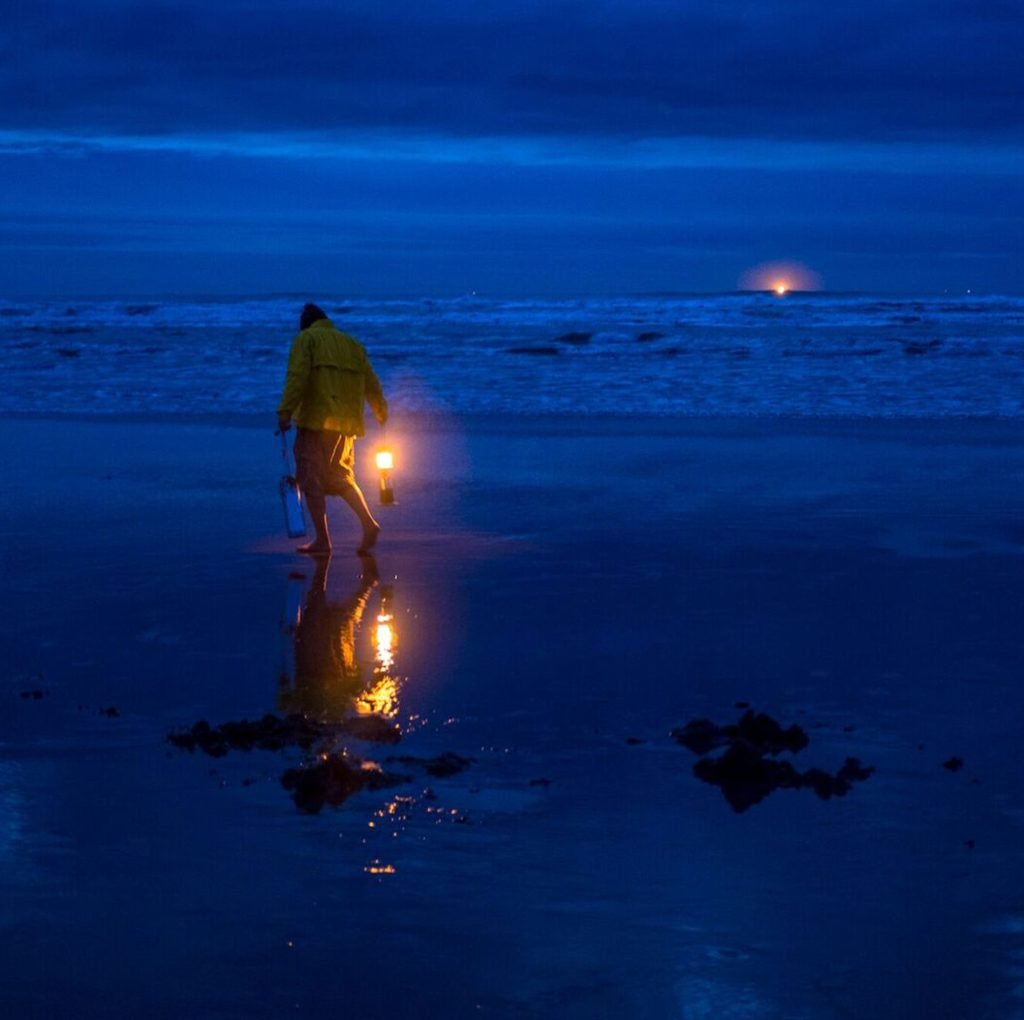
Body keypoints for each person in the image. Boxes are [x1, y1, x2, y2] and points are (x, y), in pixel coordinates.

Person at [277, 303, 388, 556]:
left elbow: (297, 377)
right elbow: (372, 382)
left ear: (305, 324)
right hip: (345, 424)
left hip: (316, 420)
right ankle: (369, 523)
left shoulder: (307, 339)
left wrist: (285, 411)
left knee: (310, 478)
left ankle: (323, 540)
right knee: (340, 476)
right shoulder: (352, 345)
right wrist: (380, 410)